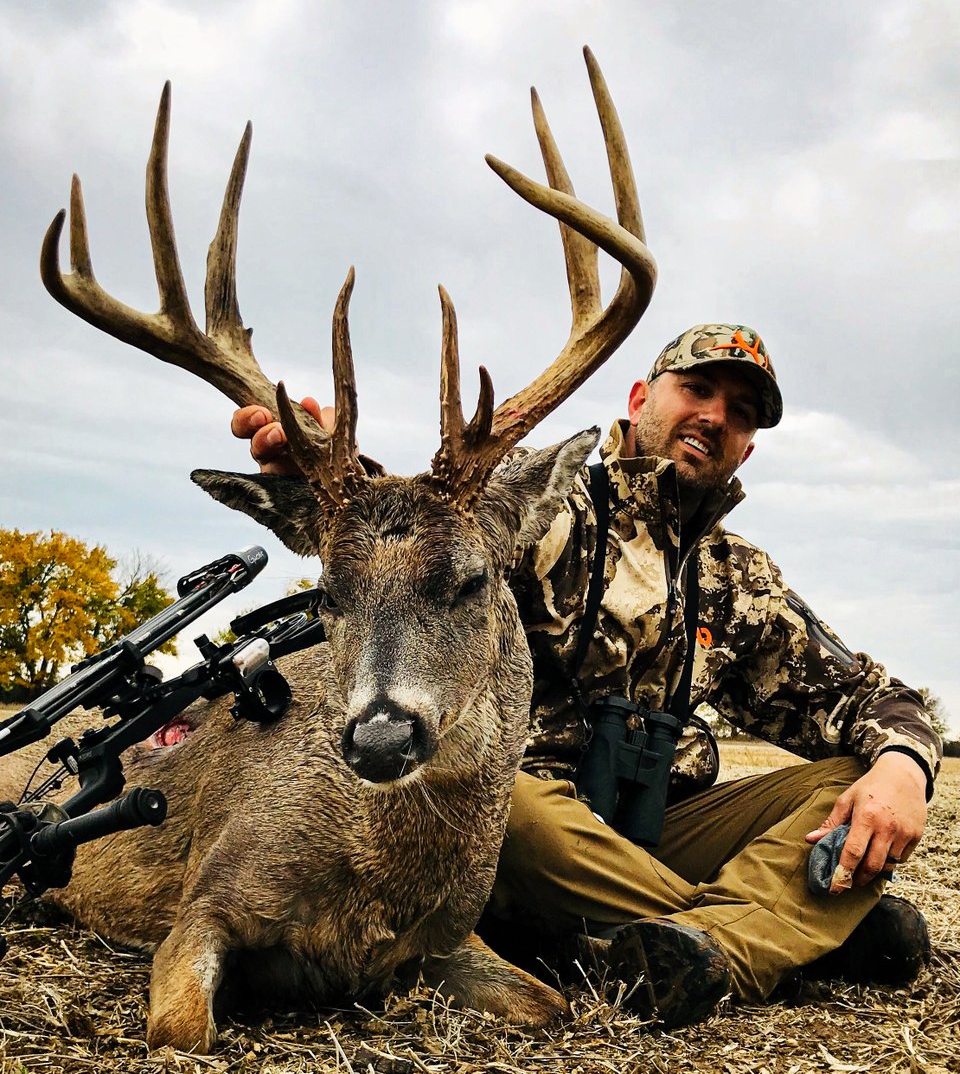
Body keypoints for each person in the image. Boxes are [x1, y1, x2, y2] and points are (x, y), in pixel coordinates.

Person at [232, 323, 940, 1030]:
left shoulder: (737, 579)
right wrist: (336, 484)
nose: (716, 416)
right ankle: (789, 933)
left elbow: (871, 695)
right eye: (697, 388)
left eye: (742, 412)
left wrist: (906, 766)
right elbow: (430, 536)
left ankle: (700, 946)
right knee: (510, 804)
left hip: (656, 828)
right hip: (522, 822)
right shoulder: (546, 508)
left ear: (748, 448)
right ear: (638, 399)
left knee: (850, 778)